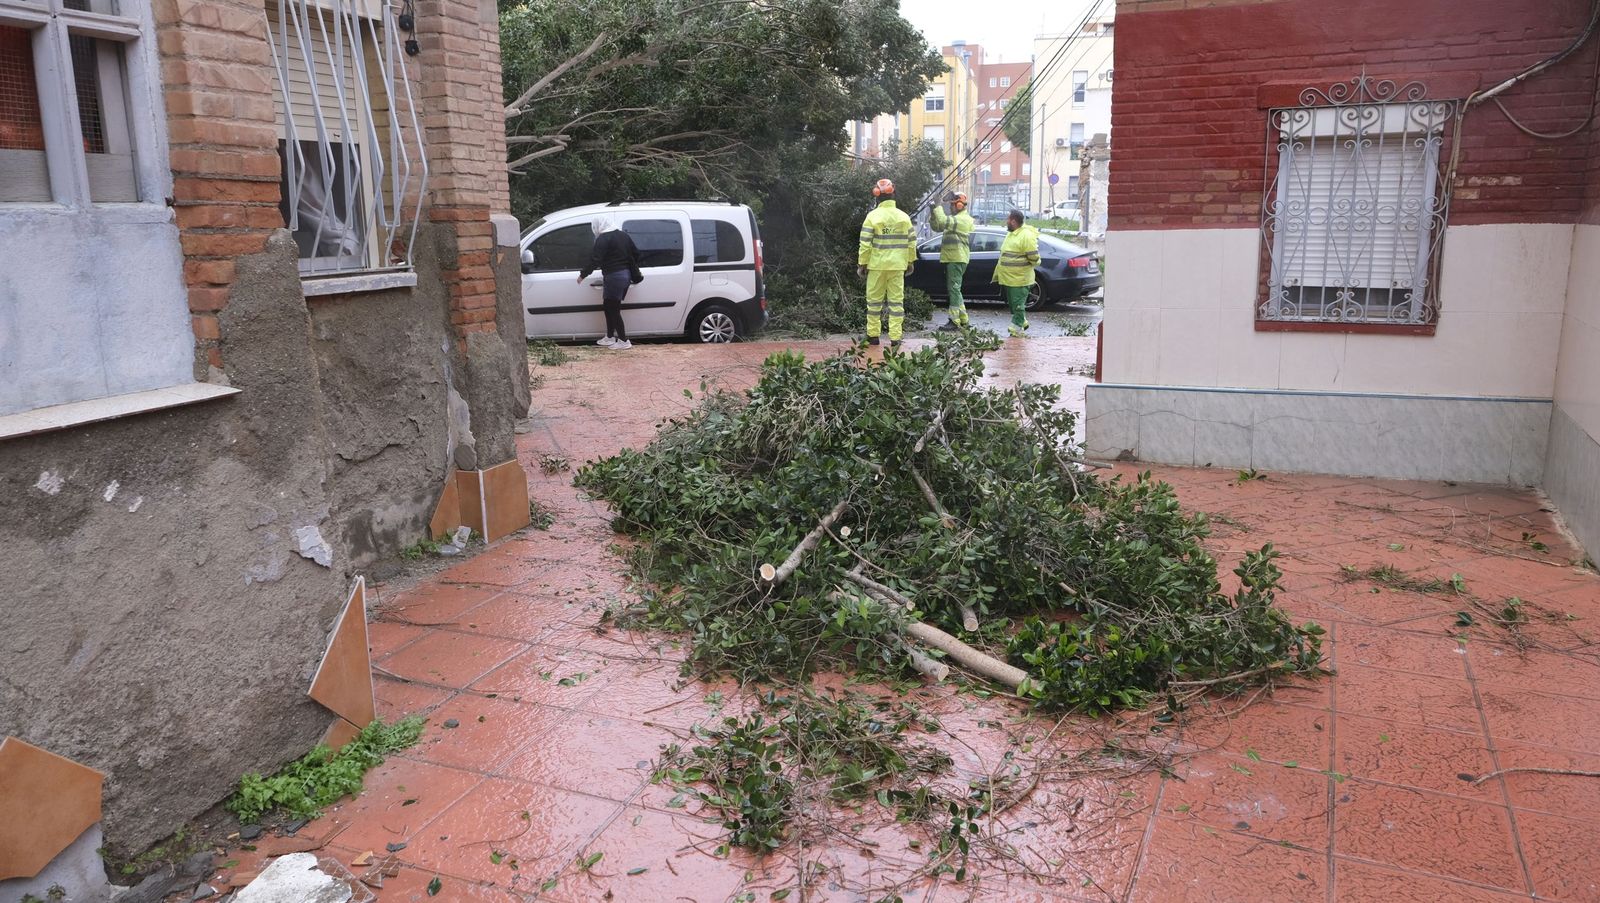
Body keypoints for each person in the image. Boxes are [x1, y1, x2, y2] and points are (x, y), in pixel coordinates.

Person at [856, 178, 916, 351]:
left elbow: (865, 243)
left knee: (874, 303)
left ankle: (873, 335)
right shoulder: (904, 217)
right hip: (897, 266)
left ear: (876, 196)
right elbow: (911, 242)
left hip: (876, 266)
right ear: (893, 194)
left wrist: (862, 264)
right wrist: (910, 261)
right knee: (896, 303)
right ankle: (895, 338)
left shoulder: (872, 217)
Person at [579, 214, 644, 350]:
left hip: (614, 276)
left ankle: (623, 340)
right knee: (608, 306)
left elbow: (595, 260)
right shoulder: (623, 236)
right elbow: (636, 254)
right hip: (624, 276)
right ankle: (609, 337)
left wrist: (583, 275)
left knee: (613, 309)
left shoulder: (603, 239)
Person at [930, 192, 975, 330]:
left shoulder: (963, 219)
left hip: (957, 258)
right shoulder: (957, 219)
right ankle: (963, 319)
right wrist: (933, 213)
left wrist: (938, 206)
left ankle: (954, 321)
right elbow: (937, 226)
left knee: (954, 289)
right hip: (954, 258)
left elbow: (943, 221)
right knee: (956, 289)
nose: (950, 208)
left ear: (959, 205)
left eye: (952, 205)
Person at [994, 210, 1040, 338]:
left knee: (1018, 306)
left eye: (1008, 219)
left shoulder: (1025, 236)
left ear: (1013, 221)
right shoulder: (1012, 234)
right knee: (1014, 305)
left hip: (1020, 279)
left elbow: (1033, 256)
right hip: (1009, 278)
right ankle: (1022, 321)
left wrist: (1035, 262)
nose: (1006, 221)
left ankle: (1016, 329)